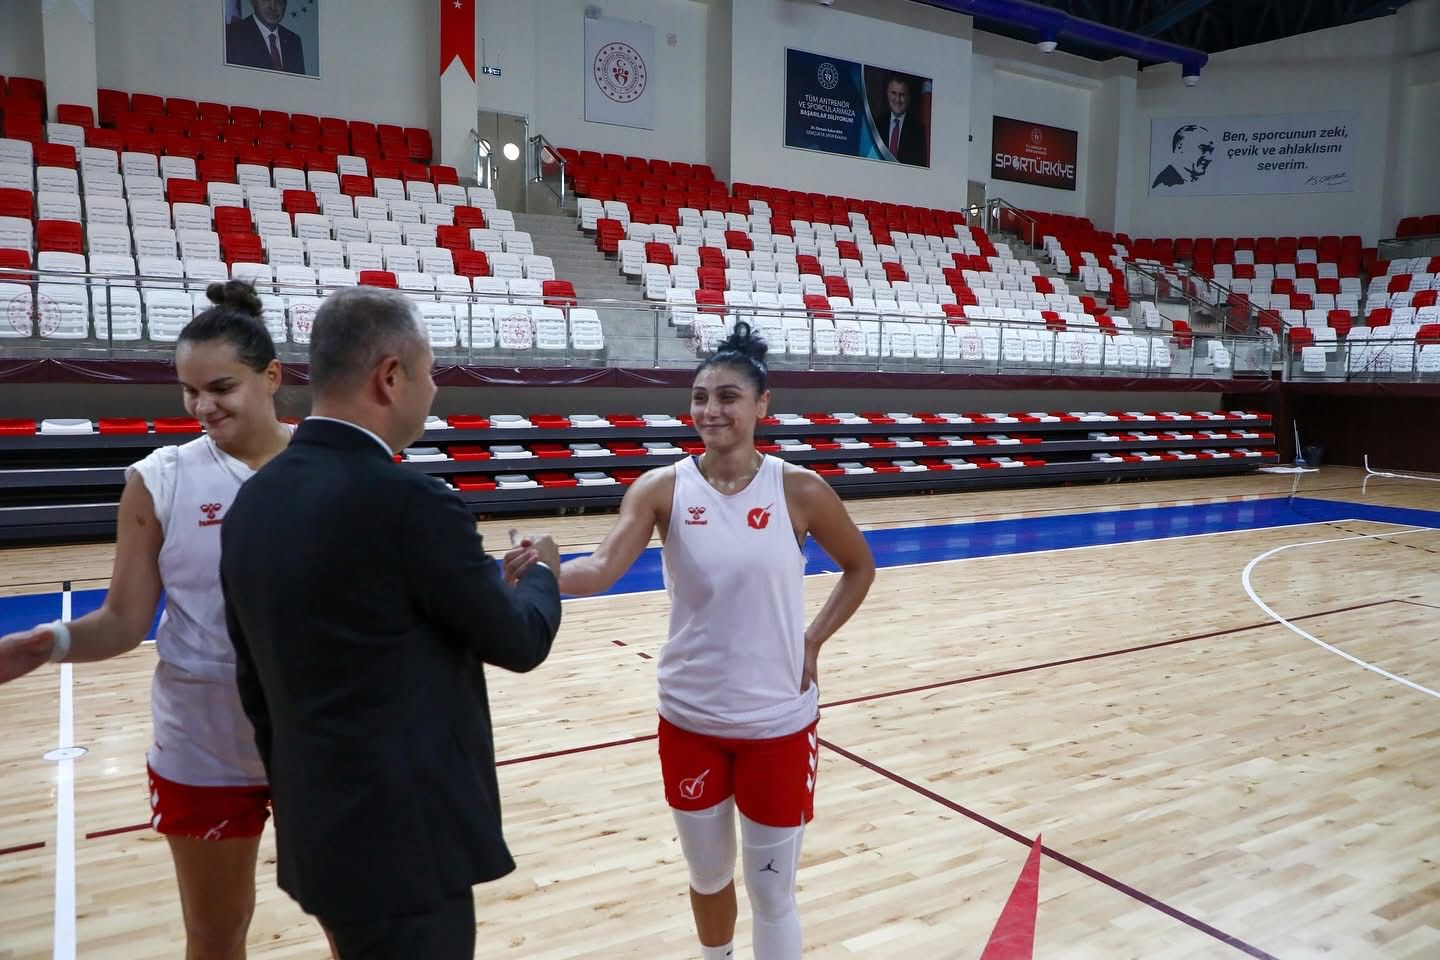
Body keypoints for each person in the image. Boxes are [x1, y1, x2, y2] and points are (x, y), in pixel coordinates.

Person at [218, 286, 563, 959]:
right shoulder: (410, 502)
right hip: (408, 847)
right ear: (390, 376)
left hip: (319, 832)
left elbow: (255, 686)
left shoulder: (253, 501)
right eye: (429, 373)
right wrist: (542, 575)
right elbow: (519, 641)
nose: (433, 390)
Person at [513, 322, 875, 959]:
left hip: (777, 722)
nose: (711, 410)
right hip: (690, 718)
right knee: (708, 878)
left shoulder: (799, 490)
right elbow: (601, 568)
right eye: (701, 397)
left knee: (771, 892)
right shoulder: (662, 488)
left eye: (728, 397)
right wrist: (545, 569)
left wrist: (812, 642)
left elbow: (859, 567)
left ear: (762, 405)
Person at [0, 281, 305, 960]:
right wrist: (49, 643)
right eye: (189, 391)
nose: (202, 406)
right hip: (204, 742)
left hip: (318, 732)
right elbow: (123, 620)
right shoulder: (158, 479)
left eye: (221, 388)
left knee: (357, 921)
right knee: (215, 934)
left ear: (272, 376)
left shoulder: (332, 467)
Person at [225, 0, 306, 75]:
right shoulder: (231, 35)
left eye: (279, 1)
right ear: (253, 2)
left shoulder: (293, 40)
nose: (273, 7)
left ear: (285, 4)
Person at [880, 73, 927, 166]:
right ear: (887, 94)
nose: (897, 100)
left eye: (902, 95)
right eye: (893, 93)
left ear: (908, 97)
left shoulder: (918, 129)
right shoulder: (877, 124)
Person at [1151, 124, 1215, 188]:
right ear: (1180, 148)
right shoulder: (1164, 185)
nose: (1209, 157)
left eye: (1211, 151)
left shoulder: (1202, 185)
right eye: (1203, 149)